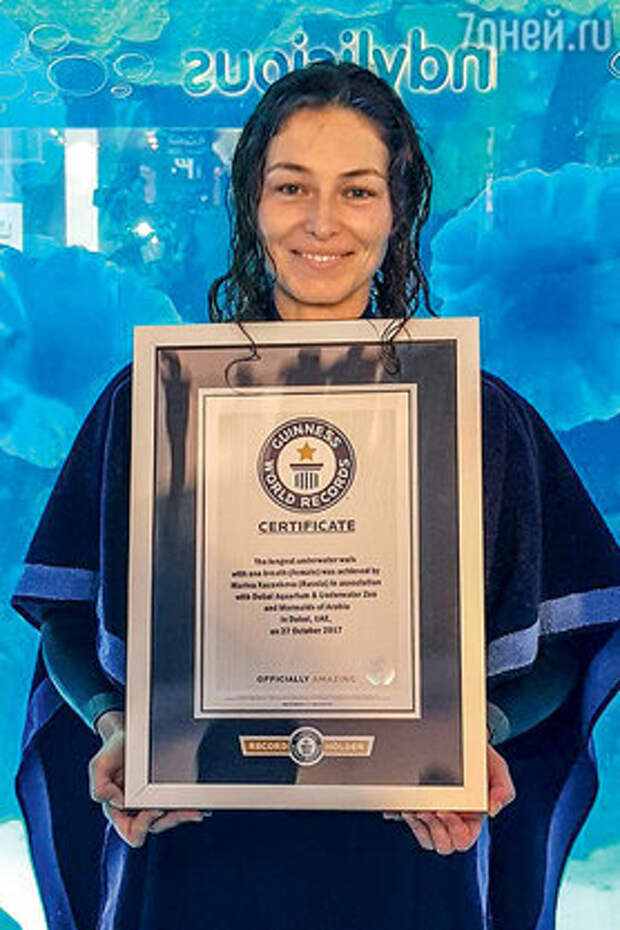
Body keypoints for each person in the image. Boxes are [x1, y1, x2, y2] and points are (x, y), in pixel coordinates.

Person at [12, 62, 620, 930]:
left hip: (410, 856)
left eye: (358, 190)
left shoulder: (477, 417)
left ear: (399, 208)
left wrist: (475, 734)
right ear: (250, 202)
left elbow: (565, 637)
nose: (322, 221)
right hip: (193, 851)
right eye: (291, 186)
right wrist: (115, 727)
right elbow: (69, 617)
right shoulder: (151, 405)